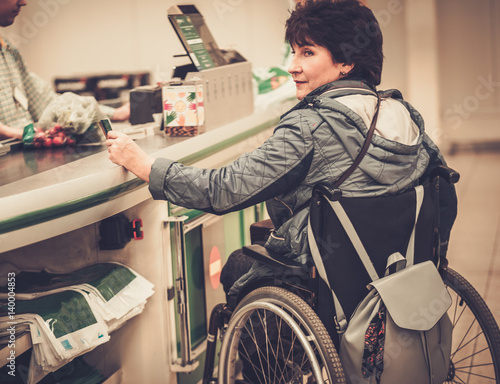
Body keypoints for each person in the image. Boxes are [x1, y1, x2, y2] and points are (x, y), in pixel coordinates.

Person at [107, 0, 457, 306]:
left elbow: (223, 189)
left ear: (346, 63)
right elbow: (441, 192)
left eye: (307, 52)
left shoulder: (311, 126)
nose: (292, 65)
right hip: (400, 268)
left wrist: (145, 165)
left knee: (238, 266)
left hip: (332, 280)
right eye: (293, 51)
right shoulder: (403, 113)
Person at [0, 0, 130, 140]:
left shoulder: (9, 51)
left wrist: (115, 114)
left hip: (23, 148)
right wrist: (14, 133)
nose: (24, 2)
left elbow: (49, 102)